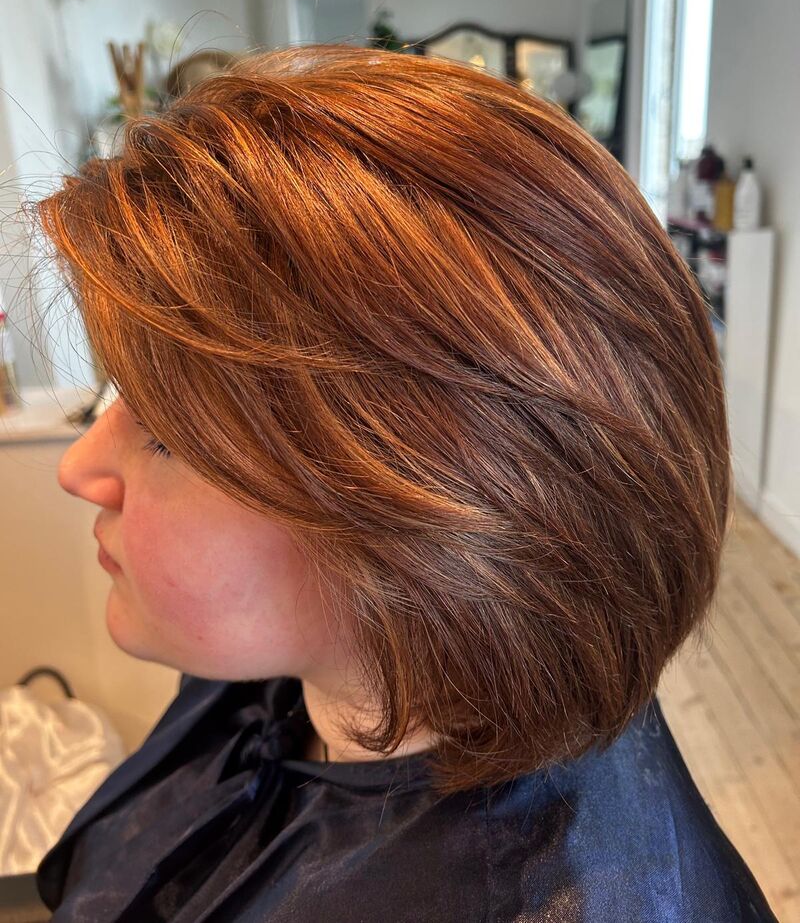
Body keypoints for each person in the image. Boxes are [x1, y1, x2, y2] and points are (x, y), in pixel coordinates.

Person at [32, 45, 777, 921]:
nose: (79, 468)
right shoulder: (286, 669)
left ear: (425, 529)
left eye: (165, 431)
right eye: (117, 394)